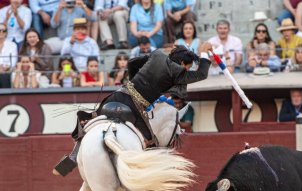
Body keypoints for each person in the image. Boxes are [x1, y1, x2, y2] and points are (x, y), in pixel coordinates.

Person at [53, 42, 213, 176]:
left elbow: (132, 63)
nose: (187, 70)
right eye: (187, 66)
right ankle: (135, 180)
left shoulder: (157, 54)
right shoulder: (178, 72)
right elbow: (202, 74)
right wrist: (204, 52)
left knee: (90, 121)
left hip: (118, 95)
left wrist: (138, 81)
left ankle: (72, 158)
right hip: (134, 108)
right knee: (149, 142)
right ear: (182, 64)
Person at [0, 23, 18, 88]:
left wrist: (4, 68)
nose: (1, 32)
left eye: (3, 30)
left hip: (7, 71)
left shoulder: (12, 45)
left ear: (6, 33)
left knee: (5, 76)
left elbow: (13, 63)